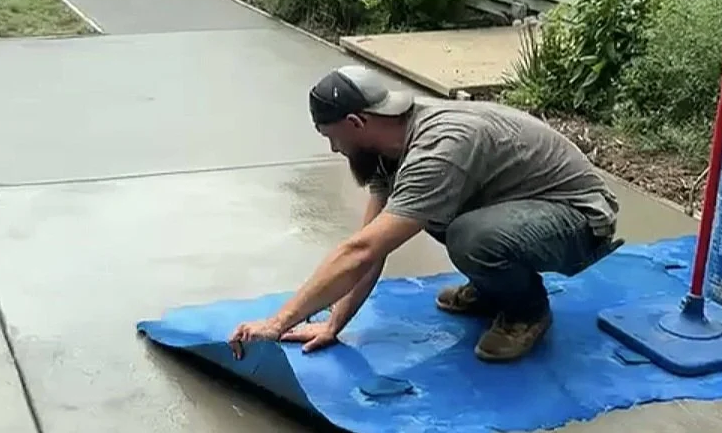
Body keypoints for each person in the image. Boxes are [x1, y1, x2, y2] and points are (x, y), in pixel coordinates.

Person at [227, 65, 620, 363]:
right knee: (426, 215)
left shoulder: (437, 149)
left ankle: (526, 311)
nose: (333, 149)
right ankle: (494, 285)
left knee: (470, 235)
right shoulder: (389, 145)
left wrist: (278, 323)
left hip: (578, 220)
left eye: (332, 137)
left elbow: (360, 250)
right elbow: (373, 245)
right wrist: (334, 323)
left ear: (356, 122)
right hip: (525, 207)